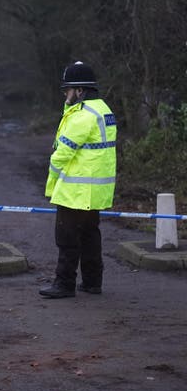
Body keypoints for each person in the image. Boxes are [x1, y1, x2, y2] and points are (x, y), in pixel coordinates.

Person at [39, 61, 117, 299]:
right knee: (91, 235)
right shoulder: (103, 110)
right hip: (94, 190)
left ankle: (64, 284)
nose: (65, 94)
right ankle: (93, 281)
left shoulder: (82, 116)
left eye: (68, 90)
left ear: (80, 91)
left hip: (76, 189)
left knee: (67, 238)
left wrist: (51, 180)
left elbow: (62, 154)